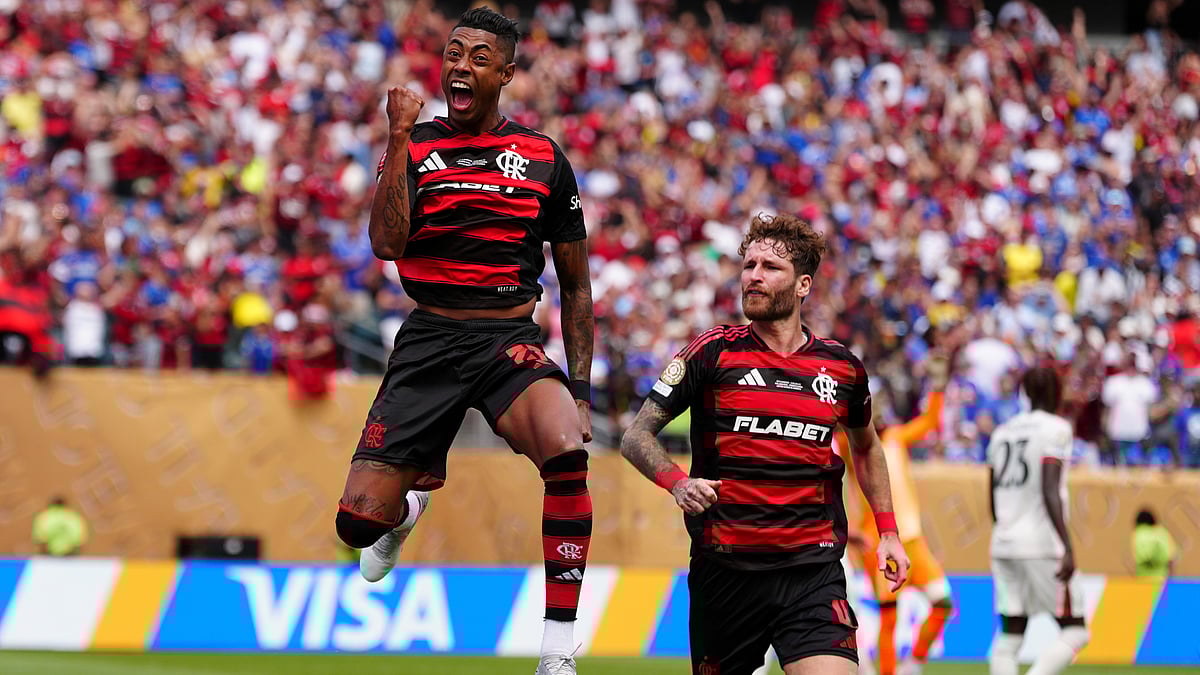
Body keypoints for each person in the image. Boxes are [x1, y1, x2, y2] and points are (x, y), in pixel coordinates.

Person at [333, 9, 594, 675]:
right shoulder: (416, 146)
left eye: (480, 57)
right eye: (454, 53)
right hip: (428, 338)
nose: (461, 66)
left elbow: (577, 285)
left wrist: (583, 391)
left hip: (505, 338)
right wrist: (396, 135)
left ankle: (558, 649)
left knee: (565, 448)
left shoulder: (542, 159)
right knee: (356, 525)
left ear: (505, 74)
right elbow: (387, 245)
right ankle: (405, 507)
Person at [620, 213, 910, 675]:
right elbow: (636, 435)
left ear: (803, 286)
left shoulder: (841, 368)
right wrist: (677, 483)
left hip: (812, 571)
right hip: (726, 574)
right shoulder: (712, 352)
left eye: (770, 268)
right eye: (748, 265)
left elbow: (868, 446)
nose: (753, 276)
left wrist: (888, 531)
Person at [845, 357, 953, 675]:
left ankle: (915, 661)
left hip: (913, 541)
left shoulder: (896, 438)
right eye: (871, 403)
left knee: (943, 603)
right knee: (889, 616)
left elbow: (931, 421)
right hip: (878, 539)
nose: (877, 409)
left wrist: (937, 386)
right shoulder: (850, 443)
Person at [986, 367, 1089, 675]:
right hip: (1041, 544)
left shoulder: (1002, 431)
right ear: (1057, 392)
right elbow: (1049, 487)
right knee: (1076, 630)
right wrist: (1067, 545)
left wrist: (1003, 529)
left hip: (1003, 543)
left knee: (1010, 636)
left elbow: (991, 495)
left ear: (1026, 393)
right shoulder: (1057, 429)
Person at [1131, 508, 1178, 579]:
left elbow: (1138, 558)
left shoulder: (1138, 533)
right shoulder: (1162, 532)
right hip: (1162, 580)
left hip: (1143, 580)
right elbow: (1171, 557)